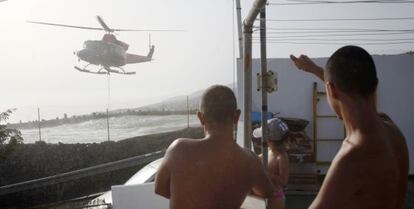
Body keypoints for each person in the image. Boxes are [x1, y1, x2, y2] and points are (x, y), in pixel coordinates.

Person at [290, 45, 409, 209]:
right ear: (375, 85)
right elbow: (347, 95)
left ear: (331, 90)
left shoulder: (352, 156)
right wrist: (314, 69)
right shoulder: (391, 130)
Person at [155, 85, 276, 209]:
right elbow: (268, 192)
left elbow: (159, 189)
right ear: (237, 116)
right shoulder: (250, 160)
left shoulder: (178, 149)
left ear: (201, 118)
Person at [253, 118, 290, 209]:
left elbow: (284, 181)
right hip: (264, 193)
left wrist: (267, 174)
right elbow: (255, 158)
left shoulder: (281, 157)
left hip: (275, 197)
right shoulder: (268, 151)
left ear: (269, 140)